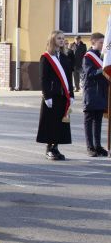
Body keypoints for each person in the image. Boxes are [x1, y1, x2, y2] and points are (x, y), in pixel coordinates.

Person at [36, 30, 74, 160]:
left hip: (63, 95)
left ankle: (56, 147)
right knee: (50, 123)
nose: (62, 40)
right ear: (53, 40)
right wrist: (47, 96)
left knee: (60, 123)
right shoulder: (46, 57)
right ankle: (49, 148)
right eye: (59, 38)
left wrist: (71, 94)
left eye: (63, 38)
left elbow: (68, 78)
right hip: (52, 95)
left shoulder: (65, 57)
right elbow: (43, 78)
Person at [81, 32, 108, 157]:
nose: (103, 45)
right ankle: (90, 147)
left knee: (98, 120)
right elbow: (89, 74)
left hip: (101, 91)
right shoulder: (88, 56)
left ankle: (98, 146)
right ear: (93, 42)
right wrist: (102, 69)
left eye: (104, 42)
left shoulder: (103, 56)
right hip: (91, 92)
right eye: (101, 42)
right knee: (89, 120)